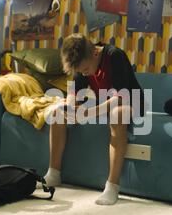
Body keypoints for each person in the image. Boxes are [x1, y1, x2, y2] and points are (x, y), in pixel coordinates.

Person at [43, 33, 144, 205]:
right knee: (58, 112)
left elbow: (121, 97)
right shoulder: (83, 61)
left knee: (117, 114)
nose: (84, 74)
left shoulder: (114, 56)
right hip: (104, 102)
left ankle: (112, 186)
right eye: (81, 72)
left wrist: (88, 113)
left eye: (86, 70)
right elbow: (74, 93)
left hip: (130, 101)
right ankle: (53, 173)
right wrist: (71, 108)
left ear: (96, 54)